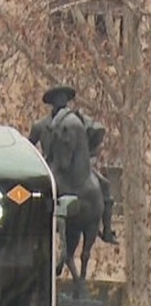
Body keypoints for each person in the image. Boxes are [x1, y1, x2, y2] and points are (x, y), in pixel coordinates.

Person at [29, 84, 117, 244]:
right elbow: (29, 148)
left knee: (104, 185)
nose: (62, 104)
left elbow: (95, 133)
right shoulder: (41, 126)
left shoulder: (77, 120)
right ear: (52, 103)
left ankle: (107, 230)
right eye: (58, 100)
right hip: (52, 169)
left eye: (65, 100)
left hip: (77, 171)